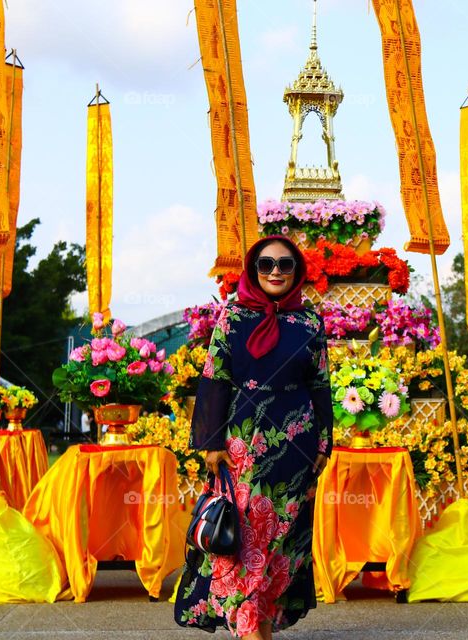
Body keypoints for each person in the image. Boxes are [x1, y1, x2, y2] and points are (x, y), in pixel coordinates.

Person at [175, 235, 333, 639]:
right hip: (242, 448)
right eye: (266, 265)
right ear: (253, 270)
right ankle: (248, 627)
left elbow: (320, 386)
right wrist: (210, 442)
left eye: (285, 265)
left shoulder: (309, 323)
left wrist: (323, 444)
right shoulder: (233, 318)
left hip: (295, 449)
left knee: (282, 540)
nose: (276, 272)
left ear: (297, 272)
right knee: (245, 538)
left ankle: (260, 620)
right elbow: (215, 377)